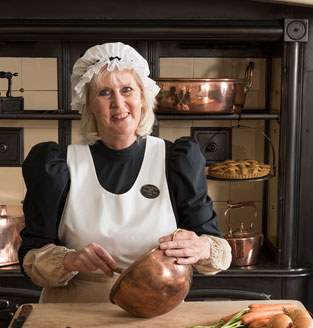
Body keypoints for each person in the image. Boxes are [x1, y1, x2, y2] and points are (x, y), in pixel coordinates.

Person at [19, 42, 232, 303]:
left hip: (155, 310)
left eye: (127, 89)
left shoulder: (176, 161)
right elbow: (31, 261)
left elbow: (220, 253)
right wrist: (70, 259)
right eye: (105, 92)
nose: (118, 103)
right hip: (72, 319)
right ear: (88, 104)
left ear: (142, 97)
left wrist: (201, 247)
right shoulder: (57, 166)